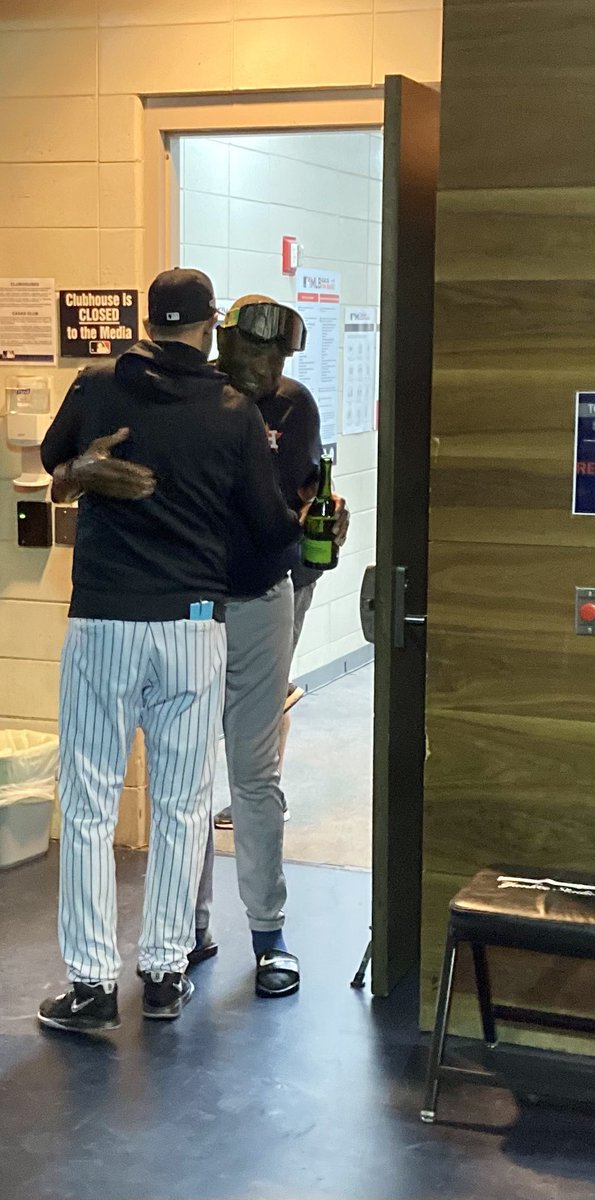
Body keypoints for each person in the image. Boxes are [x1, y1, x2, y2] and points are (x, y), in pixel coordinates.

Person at [36, 269, 301, 1033]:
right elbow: (270, 528)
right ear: (210, 324)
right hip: (193, 628)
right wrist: (311, 517)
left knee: (88, 805)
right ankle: (163, 975)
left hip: (107, 622)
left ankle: (89, 986)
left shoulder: (96, 387)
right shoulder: (232, 411)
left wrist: (76, 476)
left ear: (148, 320)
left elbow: (54, 467)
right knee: (184, 806)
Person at [193, 294, 349, 999]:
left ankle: (268, 931)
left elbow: (308, 497)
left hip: (265, 597)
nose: (264, 366)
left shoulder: (295, 406)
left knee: (253, 775)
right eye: (252, 351)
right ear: (223, 342)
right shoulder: (193, 399)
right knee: (186, 774)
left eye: (277, 356)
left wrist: (325, 533)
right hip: (190, 607)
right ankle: (186, 926)